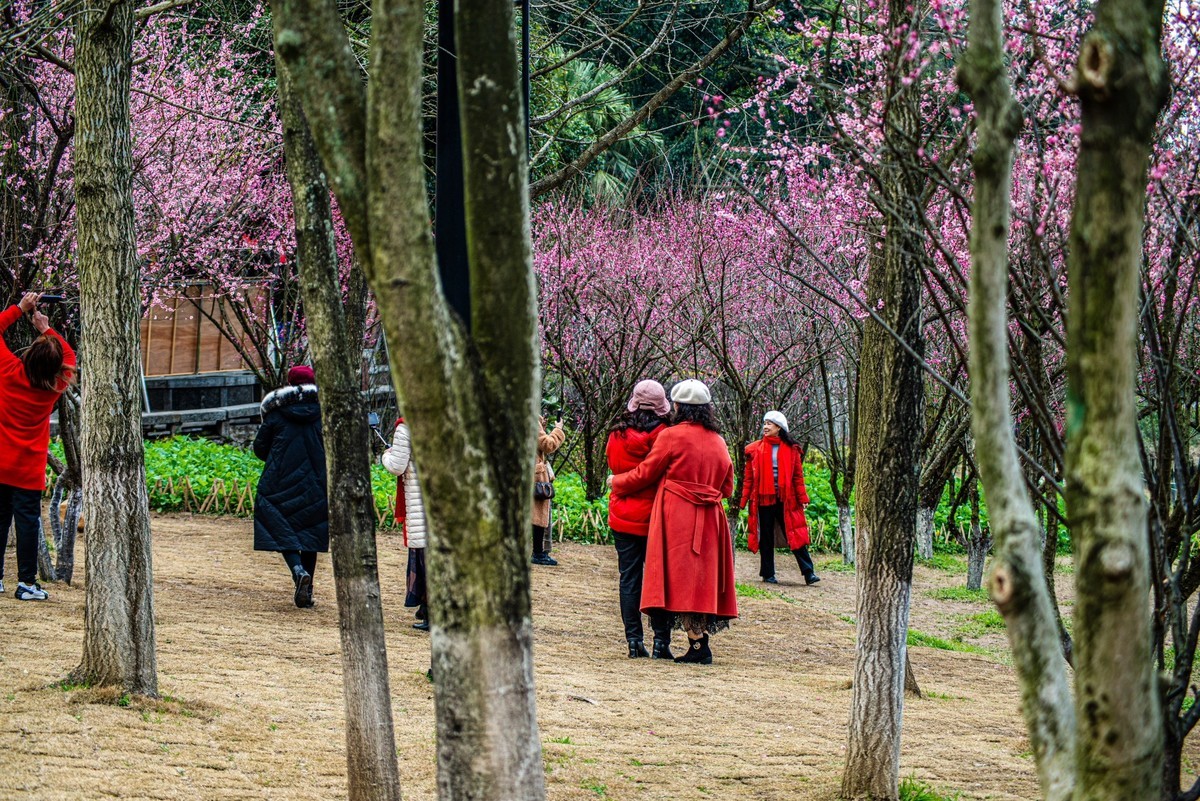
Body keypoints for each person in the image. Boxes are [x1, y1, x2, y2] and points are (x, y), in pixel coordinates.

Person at [610, 379, 738, 664]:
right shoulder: (718, 441)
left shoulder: (671, 436)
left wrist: (615, 481)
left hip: (676, 516)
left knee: (666, 578)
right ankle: (692, 643)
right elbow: (727, 487)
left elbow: (645, 473)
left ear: (679, 407)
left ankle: (673, 644)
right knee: (699, 581)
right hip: (710, 518)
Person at [0, 292, 76, 601]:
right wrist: (45, 327)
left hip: (1, 460)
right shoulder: (54, 385)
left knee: (0, 518)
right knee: (28, 521)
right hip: (28, 467)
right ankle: (27, 583)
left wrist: (20, 309)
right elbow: (69, 355)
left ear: (28, 355)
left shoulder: (7, 373)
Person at [606, 380, 674, 658]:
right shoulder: (666, 435)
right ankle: (661, 641)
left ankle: (634, 641)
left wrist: (619, 482)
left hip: (622, 515)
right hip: (656, 517)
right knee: (659, 579)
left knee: (629, 578)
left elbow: (612, 464)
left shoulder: (617, 433)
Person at [253, 365, 328, 608]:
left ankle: (297, 571)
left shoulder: (276, 414)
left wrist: (278, 459)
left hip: (279, 481)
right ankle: (308, 589)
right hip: (316, 482)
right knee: (310, 532)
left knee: (281, 528)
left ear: (288, 383)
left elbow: (259, 449)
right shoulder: (324, 414)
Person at [742, 410, 820, 586]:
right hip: (763, 499)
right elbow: (749, 478)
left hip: (786, 500)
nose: (765, 427)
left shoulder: (792, 450)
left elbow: (797, 477)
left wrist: (803, 499)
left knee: (794, 534)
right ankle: (768, 574)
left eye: (769, 423)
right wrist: (743, 499)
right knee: (766, 537)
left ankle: (809, 573)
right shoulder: (754, 449)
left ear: (779, 427)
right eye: (764, 423)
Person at [382, 416, 429, 630]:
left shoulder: (407, 427)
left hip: (419, 501)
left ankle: (431, 614)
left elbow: (397, 466)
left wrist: (387, 455)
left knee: (424, 561)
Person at [532, 416, 565, 566]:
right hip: (535, 473)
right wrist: (558, 430)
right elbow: (547, 445)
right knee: (538, 513)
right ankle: (538, 553)